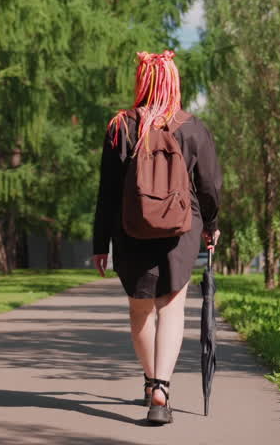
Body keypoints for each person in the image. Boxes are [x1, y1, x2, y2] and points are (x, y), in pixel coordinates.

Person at [92, 50, 221, 426]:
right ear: (173, 82)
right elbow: (210, 186)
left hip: (129, 228)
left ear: (141, 81)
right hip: (182, 229)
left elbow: (108, 191)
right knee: (171, 306)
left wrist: (101, 242)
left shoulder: (120, 126)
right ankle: (162, 390)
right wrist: (211, 225)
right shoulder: (192, 127)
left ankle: (151, 380)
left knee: (140, 307)